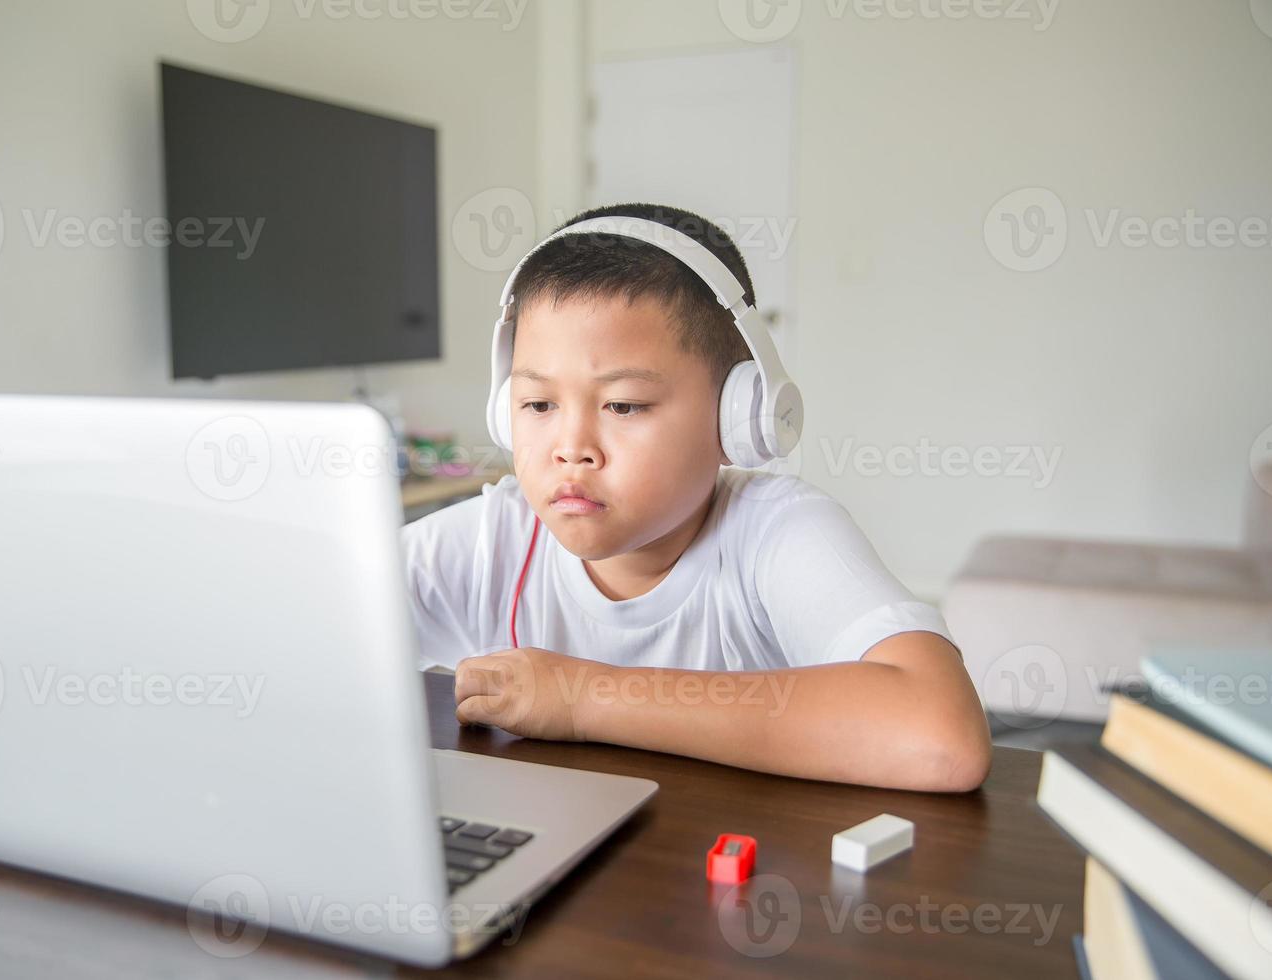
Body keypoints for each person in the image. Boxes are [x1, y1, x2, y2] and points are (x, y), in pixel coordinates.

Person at [401, 202, 991, 792]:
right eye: (538, 405)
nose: (571, 448)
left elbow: (941, 738)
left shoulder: (778, 533)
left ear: (740, 416)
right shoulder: (489, 541)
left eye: (624, 405)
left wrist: (585, 696)